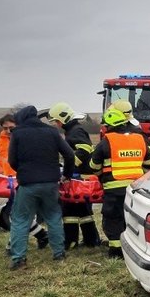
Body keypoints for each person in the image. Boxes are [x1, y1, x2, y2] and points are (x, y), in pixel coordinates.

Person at [7, 105, 76, 269]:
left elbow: (12, 161)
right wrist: (66, 175)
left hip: (28, 184)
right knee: (53, 217)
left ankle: (18, 260)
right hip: (51, 183)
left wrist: (23, 171)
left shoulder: (17, 134)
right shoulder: (52, 132)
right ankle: (59, 254)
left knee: (21, 220)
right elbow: (69, 155)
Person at [88, 108, 150, 258]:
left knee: (113, 218)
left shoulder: (106, 141)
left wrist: (101, 176)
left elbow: (94, 166)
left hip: (113, 189)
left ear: (108, 126)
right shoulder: (139, 138)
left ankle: (116, 252)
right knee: (133, 218)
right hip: (136, 189)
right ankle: (136, 247)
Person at [0, 113, 48, 250]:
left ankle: (13, 246)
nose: (8, 131)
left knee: (17, 216)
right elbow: (2, 162)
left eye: (11, 127)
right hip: (12, 183)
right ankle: (42, 236)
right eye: (5, 128)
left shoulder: (25, 138)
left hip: (26, 181)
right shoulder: (2, 140)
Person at [48, 102, 101, 249]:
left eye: (57, 121)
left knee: (71, 209)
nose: (56, 124)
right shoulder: (73, 130)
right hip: (79, 176)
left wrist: (70, 166)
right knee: (81, 210)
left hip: (80, 177)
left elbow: (84, 149)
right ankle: (90, 240)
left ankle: (73, 241)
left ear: (63, 118)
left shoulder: (76, 131)